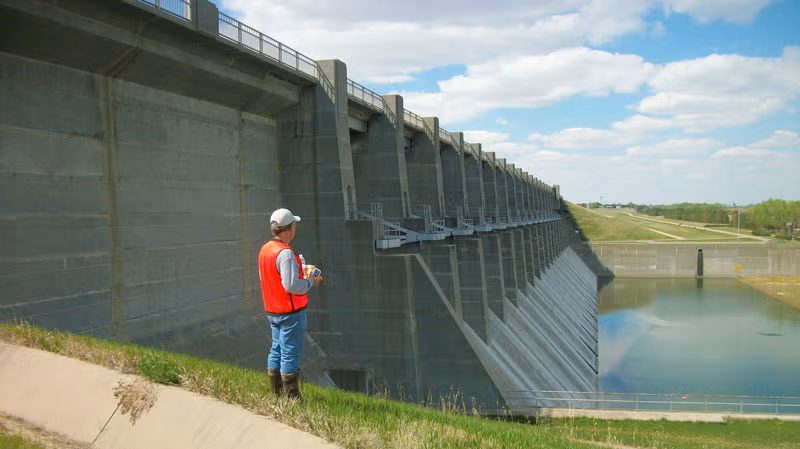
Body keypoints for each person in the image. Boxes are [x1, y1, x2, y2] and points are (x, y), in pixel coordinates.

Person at [258, 208, 323, 400]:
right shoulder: (285, 253)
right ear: (289, 229)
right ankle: (292, 398)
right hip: (290, 312)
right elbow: (292, 285)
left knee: (276, 349)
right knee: (289, 354)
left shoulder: (266, 249)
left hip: (273, 309)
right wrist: (312, 281)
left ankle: (276, 393)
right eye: (294, 224)